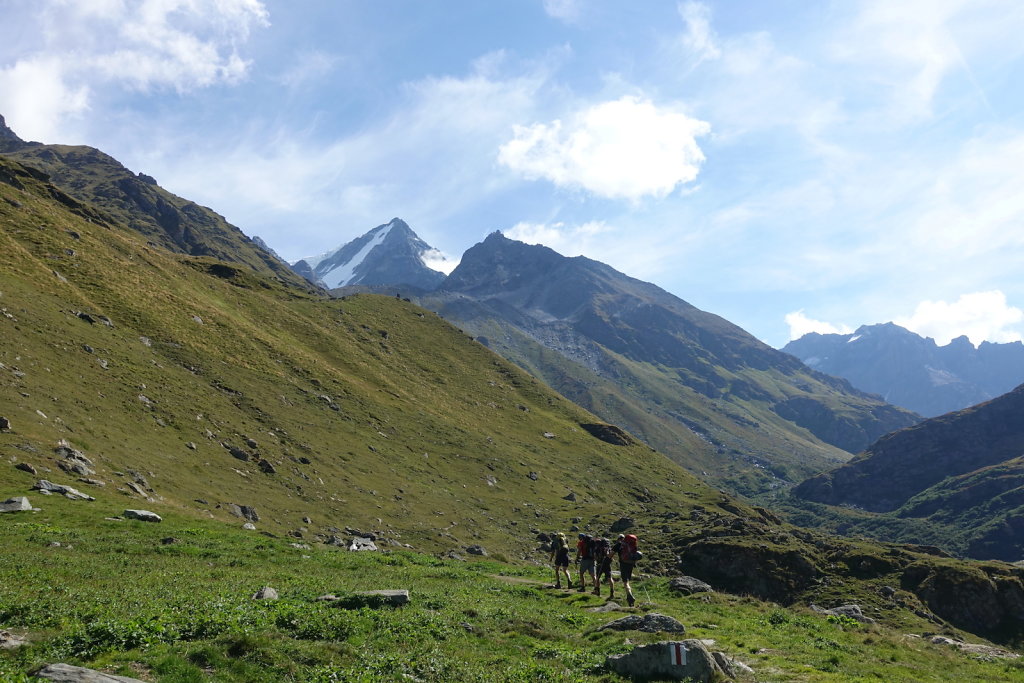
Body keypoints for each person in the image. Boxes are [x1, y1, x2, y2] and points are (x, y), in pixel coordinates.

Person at [612, 533, 637, 606]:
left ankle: (629, 596)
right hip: (631, 564)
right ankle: (629, 595)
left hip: (623, 564)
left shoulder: (619, 544)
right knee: (628, 580)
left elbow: (611, 554)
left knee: (625, 582)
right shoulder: (632, 544)